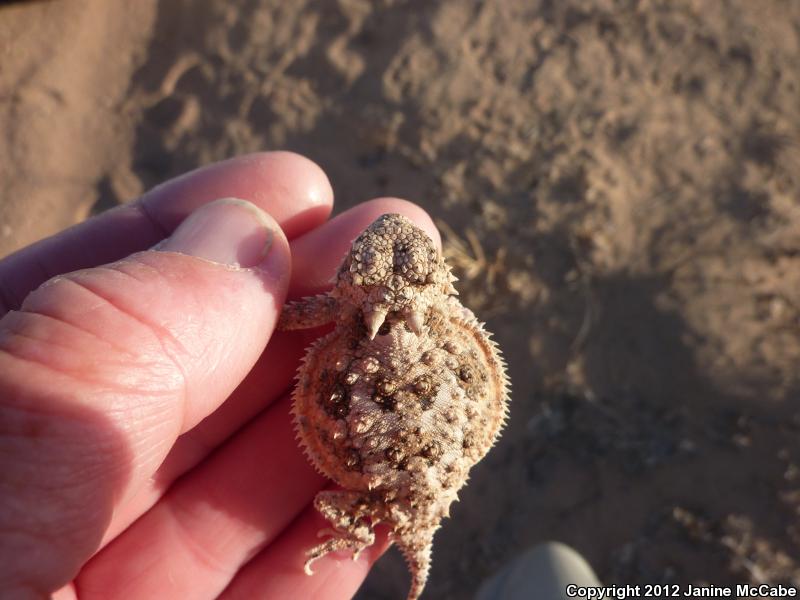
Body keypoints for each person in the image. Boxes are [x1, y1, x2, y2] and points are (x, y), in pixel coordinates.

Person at [0, 151, 440, 599]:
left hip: (397, 461)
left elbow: (280, 316)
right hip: (420, 455)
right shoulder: (432, 321)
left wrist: (246, 284)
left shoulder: (335, 307)